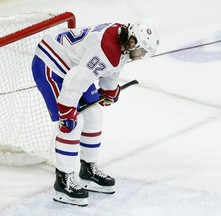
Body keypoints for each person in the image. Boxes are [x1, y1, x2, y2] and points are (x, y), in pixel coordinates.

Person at [31, 20, 159, 206]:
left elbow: (113, 65)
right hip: (51, 64)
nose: (140, 56)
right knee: (73, 123)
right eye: (141, 51)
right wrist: (67, 111)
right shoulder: (105, 49)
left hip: (73, 65)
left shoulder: (122, 38)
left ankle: (88, 172)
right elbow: (76, 81)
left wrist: (109, 90)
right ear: (132, 42)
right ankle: (63, 182)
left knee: (94, 115)